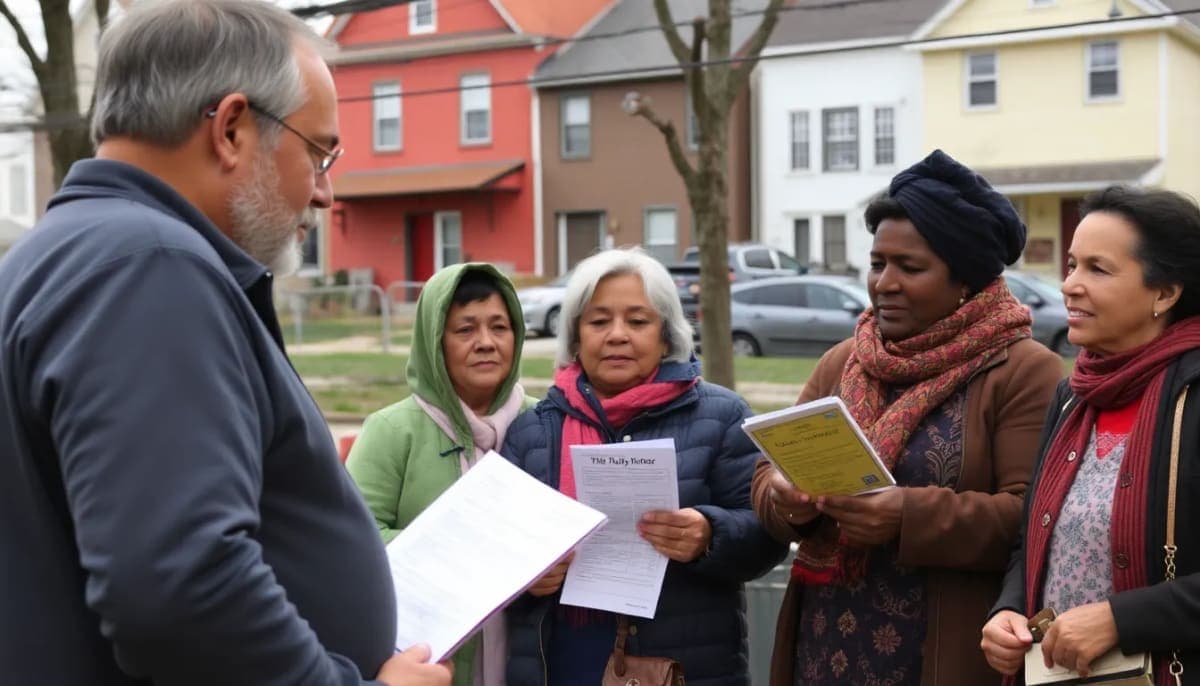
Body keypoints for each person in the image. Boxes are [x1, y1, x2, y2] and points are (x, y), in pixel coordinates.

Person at [0, 2, 450, 684]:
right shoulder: (149, 267)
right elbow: (177, 587)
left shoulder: (59, 257)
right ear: (233, 129)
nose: (326, 193)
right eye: (318, 151)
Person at [751, 149, 1063, 685]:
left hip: (938, 655)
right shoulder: (842, 361)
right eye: (877, 263)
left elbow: (1033, 520)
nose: (884, 283)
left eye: (910, 267)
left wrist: (907, 516)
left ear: (965, 278)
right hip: (822, 648)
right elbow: (765, 475)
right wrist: (786, 496)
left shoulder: (1024, 372)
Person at [499, 247, 787, 685]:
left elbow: (769, 535)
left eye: (637, 321)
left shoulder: (721, 416)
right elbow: (496, 553)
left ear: (667, 335)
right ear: (575, 336)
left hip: (681, 667)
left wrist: (710, 533)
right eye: (598, 321)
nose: (617, 335)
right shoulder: (531, 432)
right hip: (558, 664)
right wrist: (526, 574)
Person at [981, 186, 1200, 681]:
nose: (1070, 285)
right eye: (1072, 264)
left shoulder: (1194, 393)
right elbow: (1032, 541)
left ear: (1165, 292)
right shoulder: (1072, 397)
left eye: (1097, 269)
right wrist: (1009, 610)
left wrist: (1122, 620)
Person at [347, 263, 537, 686]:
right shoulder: (392, 431)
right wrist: (461, 554)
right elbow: (354, 541)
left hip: (529, 653)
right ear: (435, 341)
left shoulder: (542, 422)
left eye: (499, 327)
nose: (485, 343)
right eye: (465, 330)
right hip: (432, 660)